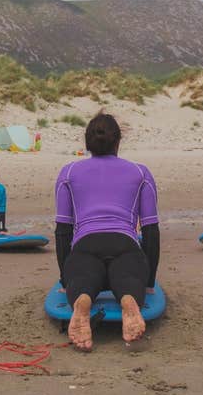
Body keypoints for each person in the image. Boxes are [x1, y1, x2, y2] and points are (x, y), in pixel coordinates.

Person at [54, 113, 159, 350]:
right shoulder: (140, 172)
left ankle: (82, 301)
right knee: (126, 275)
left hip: (85, 244)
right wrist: (148, 281)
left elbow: (63, 230)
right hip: (125, 244)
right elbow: (151, 230)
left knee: (85, 275)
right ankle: (129, 300)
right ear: (118, 141)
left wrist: (65, 278)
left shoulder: (69, 173)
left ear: (87, 142)